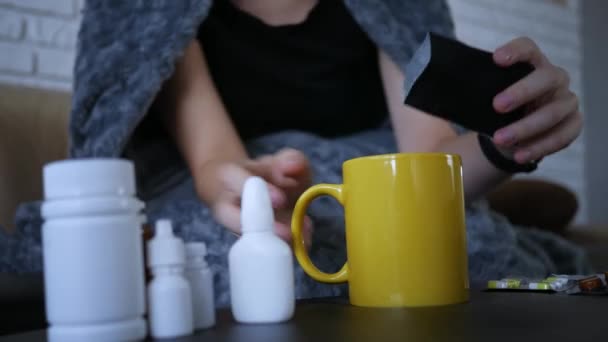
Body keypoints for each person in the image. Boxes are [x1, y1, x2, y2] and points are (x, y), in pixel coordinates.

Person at [4, 0, 590, 306]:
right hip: (209, 183)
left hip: (368, 180)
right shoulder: (152, 10)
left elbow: (430, 165)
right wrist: (249, 191)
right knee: (216, 262)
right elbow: (214, 161)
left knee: (456, 246)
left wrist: (509, 143)